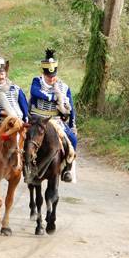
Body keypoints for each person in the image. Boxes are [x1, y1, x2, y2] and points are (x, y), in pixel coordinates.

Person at [29, 49, 77, 182]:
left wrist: (72, 124)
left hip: (55, 119)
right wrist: (53, 97)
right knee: (26, 140)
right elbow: (35, 93)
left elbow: (71, 108)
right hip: (37, 118)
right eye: (48, 76)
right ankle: (24, 165)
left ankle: (67, 169)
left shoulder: (64, 87)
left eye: (53, 75)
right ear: (43, 73)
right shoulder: (37, 82)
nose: (51, 78)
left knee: (72, 139)